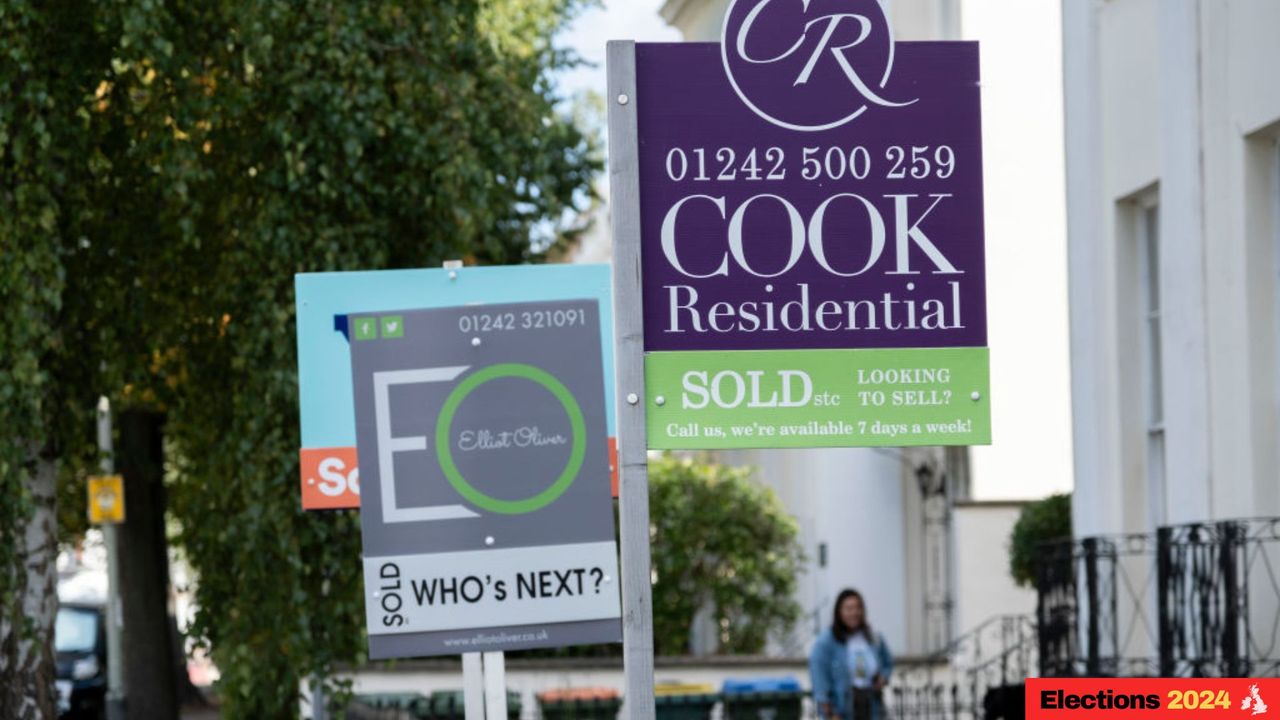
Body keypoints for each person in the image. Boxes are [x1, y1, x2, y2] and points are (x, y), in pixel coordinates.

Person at [809, 588, 894, 720]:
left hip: (871, 704)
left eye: (858, 608)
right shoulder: (825, 642)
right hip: (842, 707)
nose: (854, 613)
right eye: (848, 608)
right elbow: (820, 683)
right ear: (839, 612)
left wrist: (883, 678)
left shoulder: (873, 636)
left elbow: (888, 662)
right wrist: (831, 714)